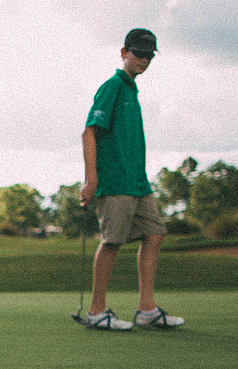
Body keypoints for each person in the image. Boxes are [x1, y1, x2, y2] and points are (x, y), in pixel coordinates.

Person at [78, 28, 185, 331]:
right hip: (115, 181)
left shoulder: (131, 90)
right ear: (123, 53)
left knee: (155, 234)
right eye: (138, 53)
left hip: (138, 181)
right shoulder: (112, 86)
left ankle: (147, 309)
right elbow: (89, 132)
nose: (144, 59)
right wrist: (91, 179)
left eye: (149, 55)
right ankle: (97, 311)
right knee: (112, 242)